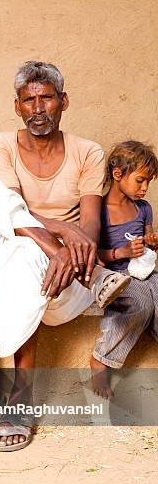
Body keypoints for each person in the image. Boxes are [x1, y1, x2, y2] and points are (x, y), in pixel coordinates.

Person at [0, 61, 130, 451]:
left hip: (72, 278)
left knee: (24, 250)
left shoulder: (88, 151)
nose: (38, 108)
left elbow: (88, 228)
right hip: (15, 266)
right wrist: (58, 234)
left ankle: (21, 400)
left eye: (47, 98)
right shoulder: (1, 144)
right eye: (29, 100)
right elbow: (8, 208)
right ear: (17, 107)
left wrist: (68, 245)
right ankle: (21, 398)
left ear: (63, 102)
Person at [91, 141, 158, 398]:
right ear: (117, 174)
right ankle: (102, 358)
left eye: (148, 182)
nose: (144, 188)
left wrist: (152, 243)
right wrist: (122, 253)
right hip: (114, 277)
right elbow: (91, 253)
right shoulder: (97, 210)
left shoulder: (143, 208)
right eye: (140, 181)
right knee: (140, 302)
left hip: (143, 273)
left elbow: (148, 247)